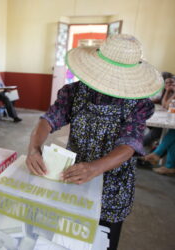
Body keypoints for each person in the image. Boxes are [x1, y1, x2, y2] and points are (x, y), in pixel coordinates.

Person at [25, 35, 163, 250]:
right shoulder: (75, 92)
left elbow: (129, 145)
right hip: (73, 176)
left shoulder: (138, 104)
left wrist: (94, 168)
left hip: (113, 185)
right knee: (68, 237)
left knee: (102, 239)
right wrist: (34, 149)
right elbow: (49, 119)